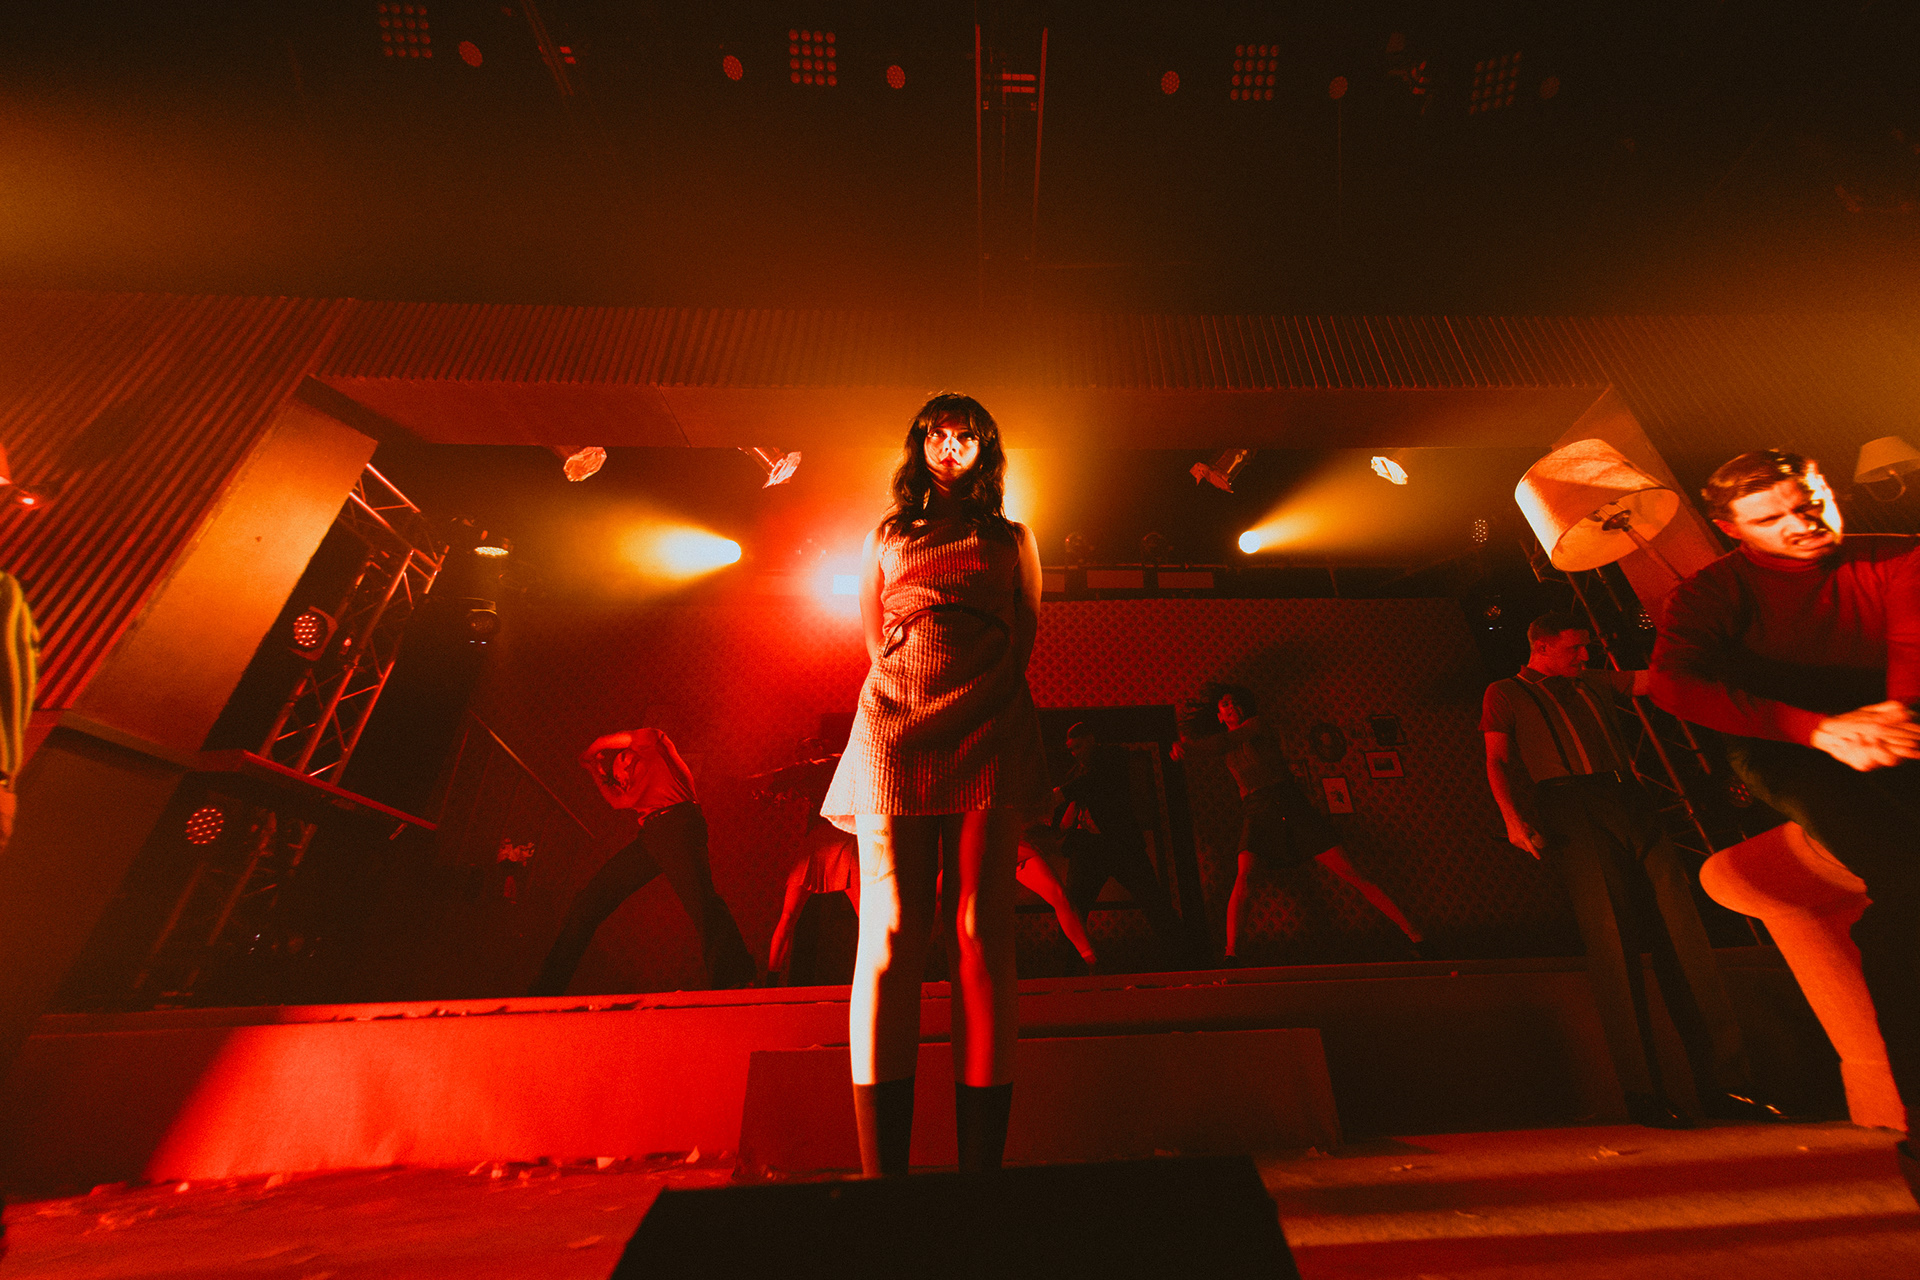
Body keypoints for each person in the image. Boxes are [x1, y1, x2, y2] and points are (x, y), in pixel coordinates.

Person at [1648, 449, 1920, 1173]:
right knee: (1907, 878)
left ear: (1825, 489)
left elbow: (1912, 643)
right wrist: (1818, 730)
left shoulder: (1898, 554)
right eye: (1771, 519)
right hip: (1783, 743)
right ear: (1731, 528)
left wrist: (1896, 715)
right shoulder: (1709, 593)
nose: (1802, 524)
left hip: (1897, 723)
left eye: (1810, 504)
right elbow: (1672, 685)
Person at [820, 392, 1047, 1177]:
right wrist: (912, 683)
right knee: (889, 931)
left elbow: (1025, 628)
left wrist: (986, 690)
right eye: (938, 435)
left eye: (967, 436)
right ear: (919, 446)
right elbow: (871, 633)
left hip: (990, 715)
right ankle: (883, 1178)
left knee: (980, 927)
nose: (951, 446)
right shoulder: (885, 535)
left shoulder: (1014, 537)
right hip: (896, 718)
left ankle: (980, 1177)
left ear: (986, 449)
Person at [1485, 611, 1780, 1129]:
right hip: (1570, 806)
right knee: (1613, 941)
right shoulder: (1506, 692)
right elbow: (1497, 761)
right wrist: (1513, 820)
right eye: (1574, 648)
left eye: (1586, 647)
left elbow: (1654, 680)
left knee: (1684, 933)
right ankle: (1644, 1094)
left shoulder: (1594, 682)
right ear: (1542, 647)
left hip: (1629, 797)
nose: (1585, 655)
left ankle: (1728, 1087)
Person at [1173, 685, 1424, 963]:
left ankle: (1417, 936)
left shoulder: (1256, 725)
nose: (1231, 706)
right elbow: (1220, 744)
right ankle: (1231, 954)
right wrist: (1185, 747)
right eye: (1225, 705)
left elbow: (1226, 742)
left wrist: (1190, 748)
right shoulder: (1221, 742)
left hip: (1290, 803)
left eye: (1234, 702)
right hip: (1257, 809)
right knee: (1244, 876)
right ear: (1219, 716)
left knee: (1352, 872)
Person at [529, 727, 757, 996]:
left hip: (678, 825)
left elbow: (608, 740)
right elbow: (616, 801)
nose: (625, 763)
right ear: (623, 781)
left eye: (624, 756)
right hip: (653, 835)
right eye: (619, 771)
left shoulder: (653, 744)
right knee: (590, 901)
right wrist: (595, 770)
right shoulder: (629, 791)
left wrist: (591, 753)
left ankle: (735, 978)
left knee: (701, 901)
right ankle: (547, 988)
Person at [1053, 723, 1193, 968]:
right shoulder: (1075, 773)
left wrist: (1059, 794)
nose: (1075, 753)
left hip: (1121, 844)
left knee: (1153, 902)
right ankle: (1068, 971)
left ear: (1091, 739)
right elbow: (1070, 808)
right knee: (1073, 908)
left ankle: (1186, 961)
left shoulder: (1112, 756)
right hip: (1088, 848)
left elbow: (1093, 782)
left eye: (1079, 746)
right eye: (1072, 749)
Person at [752, 745, 862, 985]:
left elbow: (802, 770)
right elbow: (788, 786)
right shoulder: (813, 775)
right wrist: (770, 791)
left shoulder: (835, 762)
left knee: (865, 915)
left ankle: (871, 975)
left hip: (841, 837)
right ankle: (771, 979)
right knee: (789, 915)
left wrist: (762, 780)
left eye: (808, 749)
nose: (804, 756)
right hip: (821, 839)